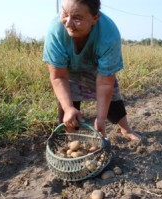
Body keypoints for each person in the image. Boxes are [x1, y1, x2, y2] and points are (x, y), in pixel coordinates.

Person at [43, 0, 141, 141]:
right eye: (65, 13)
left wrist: (101, 119)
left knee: (112, 96)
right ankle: (71, 138)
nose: (68, 23)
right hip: (68, 68)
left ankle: (126, 129)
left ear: (95, 18)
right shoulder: (55, 31)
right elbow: (59, 76)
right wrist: (69, 108)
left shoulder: (109, 34)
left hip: (96, 67)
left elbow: (105, 83)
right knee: (67, 101)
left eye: (77, 18)